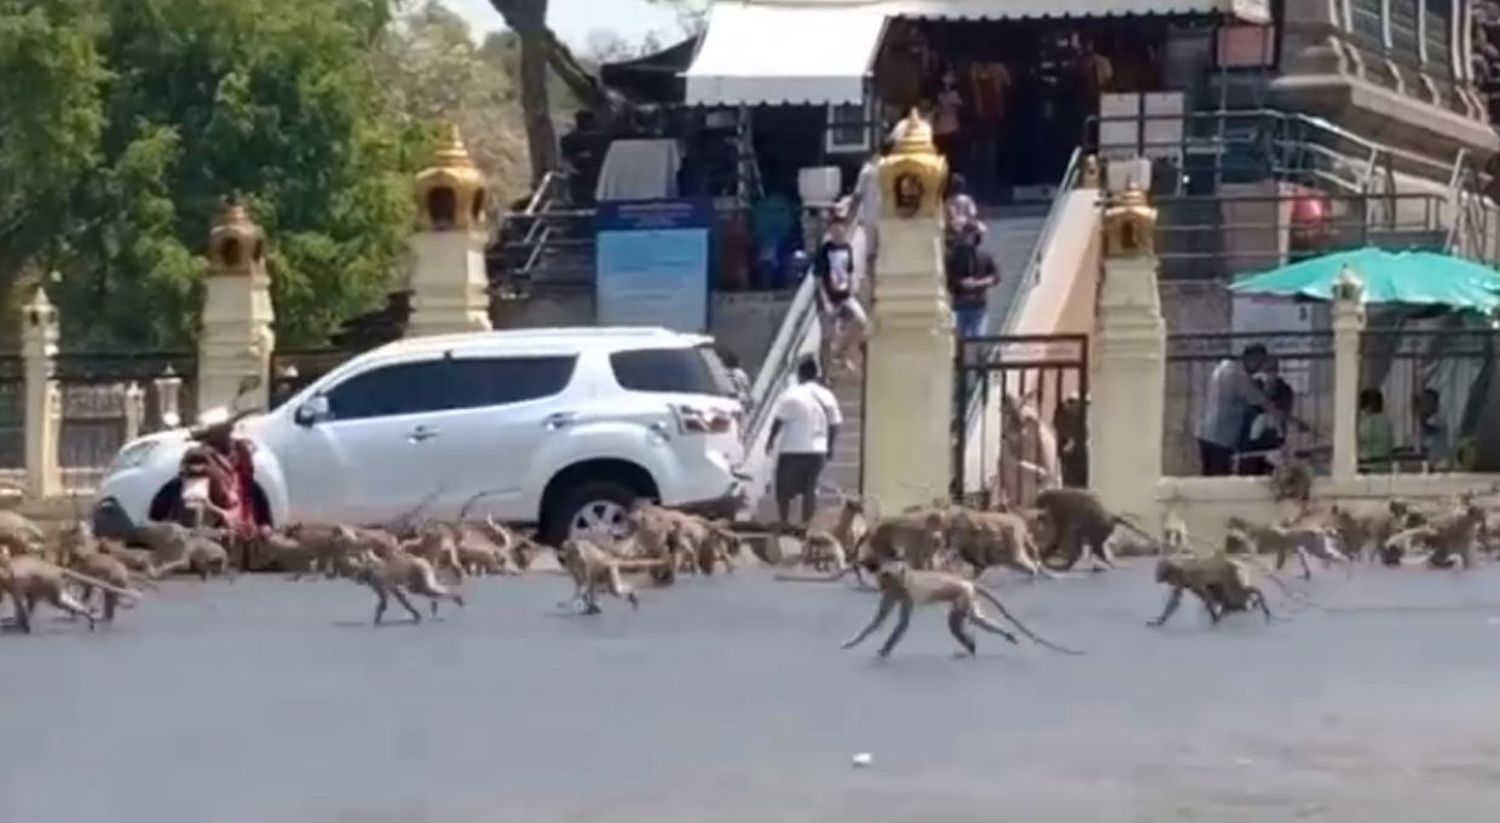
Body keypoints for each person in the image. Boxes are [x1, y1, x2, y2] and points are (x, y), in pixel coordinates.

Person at [765, 358, 842, 532]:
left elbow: (779, 421)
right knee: (810, 489)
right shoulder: (827, 395)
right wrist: (830, 447)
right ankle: (807, 525)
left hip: (793, 449)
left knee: (783, 489)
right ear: (817, 375)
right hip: (818, 450)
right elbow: (835, 424)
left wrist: (770, 441)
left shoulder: (792, 394)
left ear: (800, 374)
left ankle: (784, 522)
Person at [1196, 345, 1273, 476]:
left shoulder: (1223, 367)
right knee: (1219, 478)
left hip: (1205, 432)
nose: (1259, 368)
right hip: (1220, 436)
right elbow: (1262, 401)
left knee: (1209, 476)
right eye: (1259, 362)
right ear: (1251, 358)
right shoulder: (1239, 376)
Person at [813, 214, 868, 376]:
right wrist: (825, 301)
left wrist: (851, 288)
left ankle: (842, 352)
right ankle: (826, 372)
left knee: (861, 320)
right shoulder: (824, 251)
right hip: (828, 297)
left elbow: (849, 271)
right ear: (830, 229)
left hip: (844, 295)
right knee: (827, 336)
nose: (838, 229)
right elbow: (818, 279)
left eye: (841, 225)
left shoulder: (847, 248)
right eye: (835, 226)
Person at [850, 139, 894, 286]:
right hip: (888, 217)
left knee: (871, 254)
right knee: (885, 252)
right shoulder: (892, 168)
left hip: (870, 216)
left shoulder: (868, 170)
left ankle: (872, 283)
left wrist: (850, 215)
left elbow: (857, 195)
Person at [945, 229, 998, 339]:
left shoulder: (985, 256)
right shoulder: (953, 257)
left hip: (978, 305)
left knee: (977, 337)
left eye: (970, 235)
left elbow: (995, 277)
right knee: (958, 339)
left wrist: (978, 283)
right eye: (965, 235)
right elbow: (947, 280)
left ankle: (977, 355)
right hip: (959, 305)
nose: (967, 238)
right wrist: (961, 283)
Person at [1238, 379, 1294, 476]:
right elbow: (1253, 444)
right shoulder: (1262, 419)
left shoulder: (1277, 421)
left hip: (1267, 460)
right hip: (1254, 463)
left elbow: (1280, 441)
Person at [1357, 388, 1394, 472]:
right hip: (1384, 467)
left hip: (1369, 467)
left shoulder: (1369, 421)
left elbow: (1359, 438)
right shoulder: (1386, 421)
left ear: (1367, 406)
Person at [932, 67, 965, 164]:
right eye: (947, 76)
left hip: (951, 128)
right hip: (938, 129)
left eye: (952, 76)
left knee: (950, 157)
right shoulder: (937, 92)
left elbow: (961, 107)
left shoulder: (957, 93)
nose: (949, 78)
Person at [1413, 388, 1451, 470]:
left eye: (1427, 401)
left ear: (1435, 404)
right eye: (1423, 401)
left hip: (1439, 466)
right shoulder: (1419, 428)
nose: (1424, 404)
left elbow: (1430, 425)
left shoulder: (1439, 420)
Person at [945, 174, 982, 239]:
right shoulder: (968, 199)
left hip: (955, 225)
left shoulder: (949, 201)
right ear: (962, 187)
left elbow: (951, 215)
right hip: (966, 223)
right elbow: (972, 213)